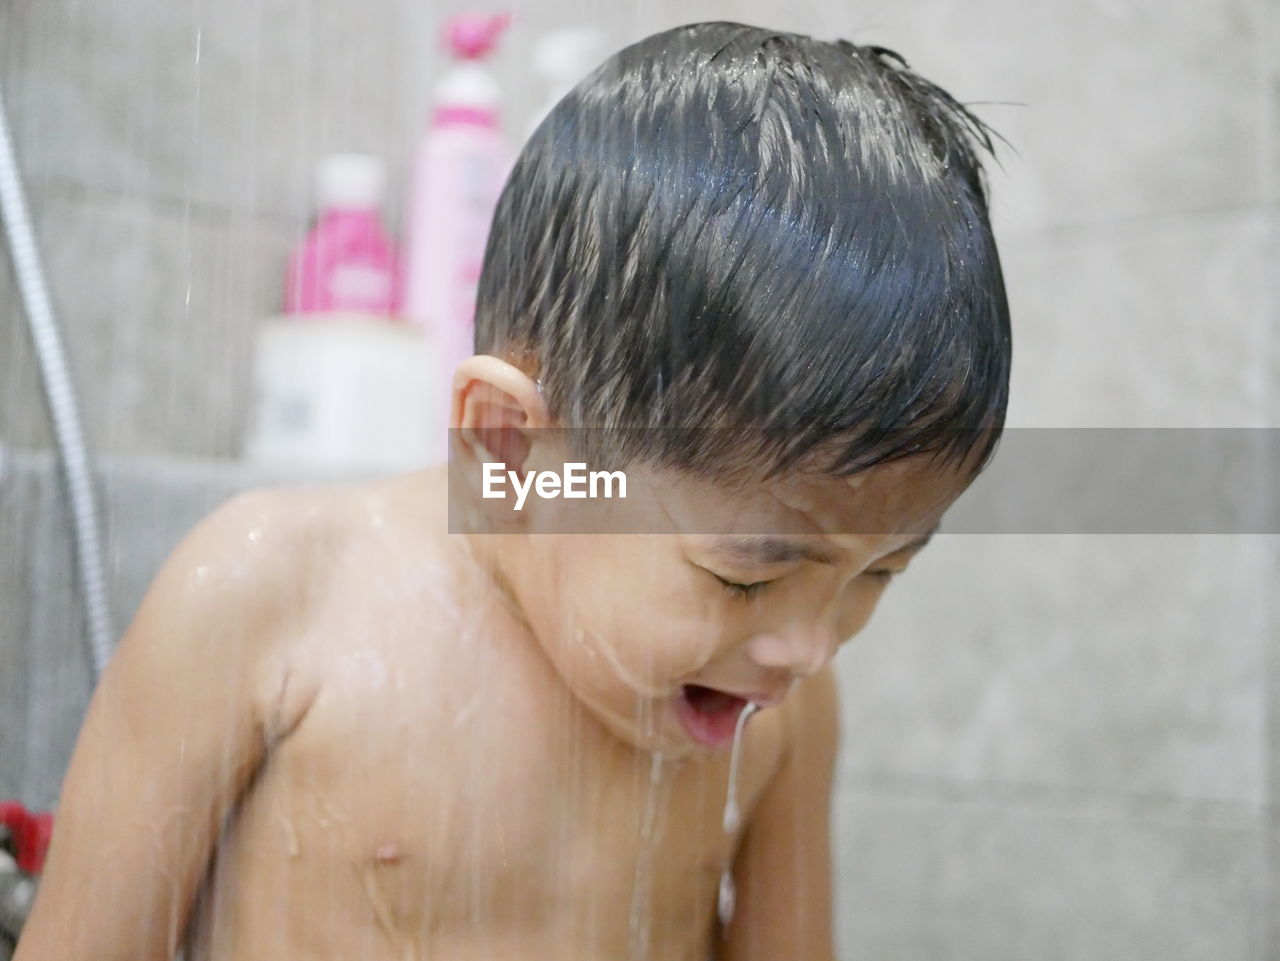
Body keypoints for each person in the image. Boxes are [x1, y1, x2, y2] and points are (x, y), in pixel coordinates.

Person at [15, 20, 1011, 961]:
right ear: (509, 446)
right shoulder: (268, 601)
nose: (808, 644)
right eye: (744, 577)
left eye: (877, 573)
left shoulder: (785, 710)